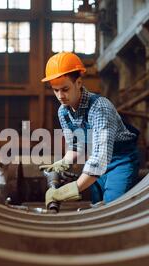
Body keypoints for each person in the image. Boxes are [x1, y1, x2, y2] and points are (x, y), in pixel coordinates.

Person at [40, 52, 140, 209]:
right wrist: (64, 162)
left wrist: (69, 190)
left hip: (119, 162)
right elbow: (76, 146)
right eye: (56, 90)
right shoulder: (63, 112)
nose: (60, 96)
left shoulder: (100, 107)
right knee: (96, 209)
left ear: (79, 83)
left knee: (113, 209)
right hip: (94, 163)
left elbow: (100, 159)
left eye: (65, 89)